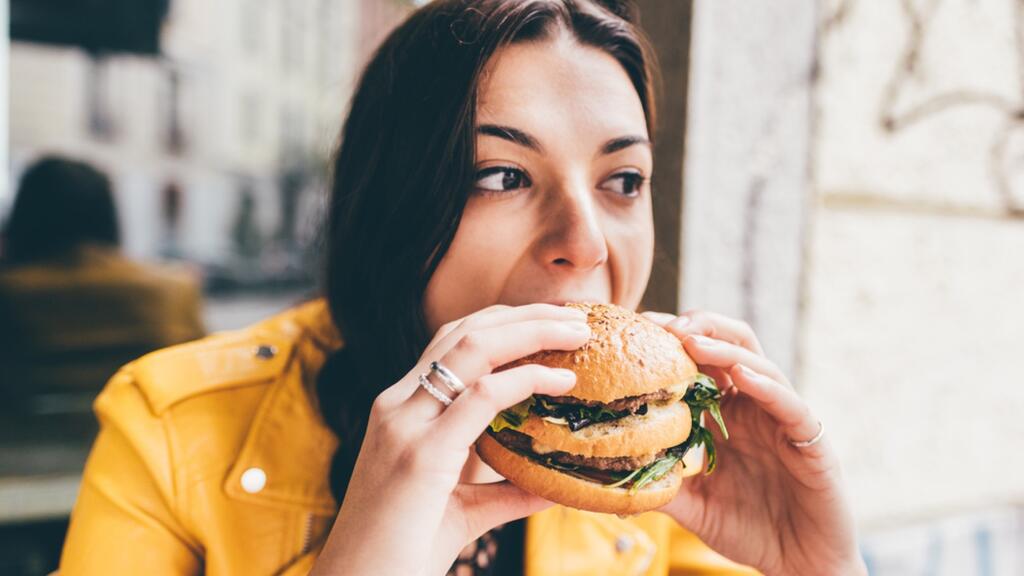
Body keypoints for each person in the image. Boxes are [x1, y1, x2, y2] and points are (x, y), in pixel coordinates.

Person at [59, 1, 866, 575]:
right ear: (392, 202)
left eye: (623, 180)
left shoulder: (661, 472)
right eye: (504, 175)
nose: (584, 243)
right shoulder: (168, 424)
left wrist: (819, 570)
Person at [0, 156, 205, 408]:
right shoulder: (174, 291)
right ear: (109, 214)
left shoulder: (11, 295)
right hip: (142, 442)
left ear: (25, 215)